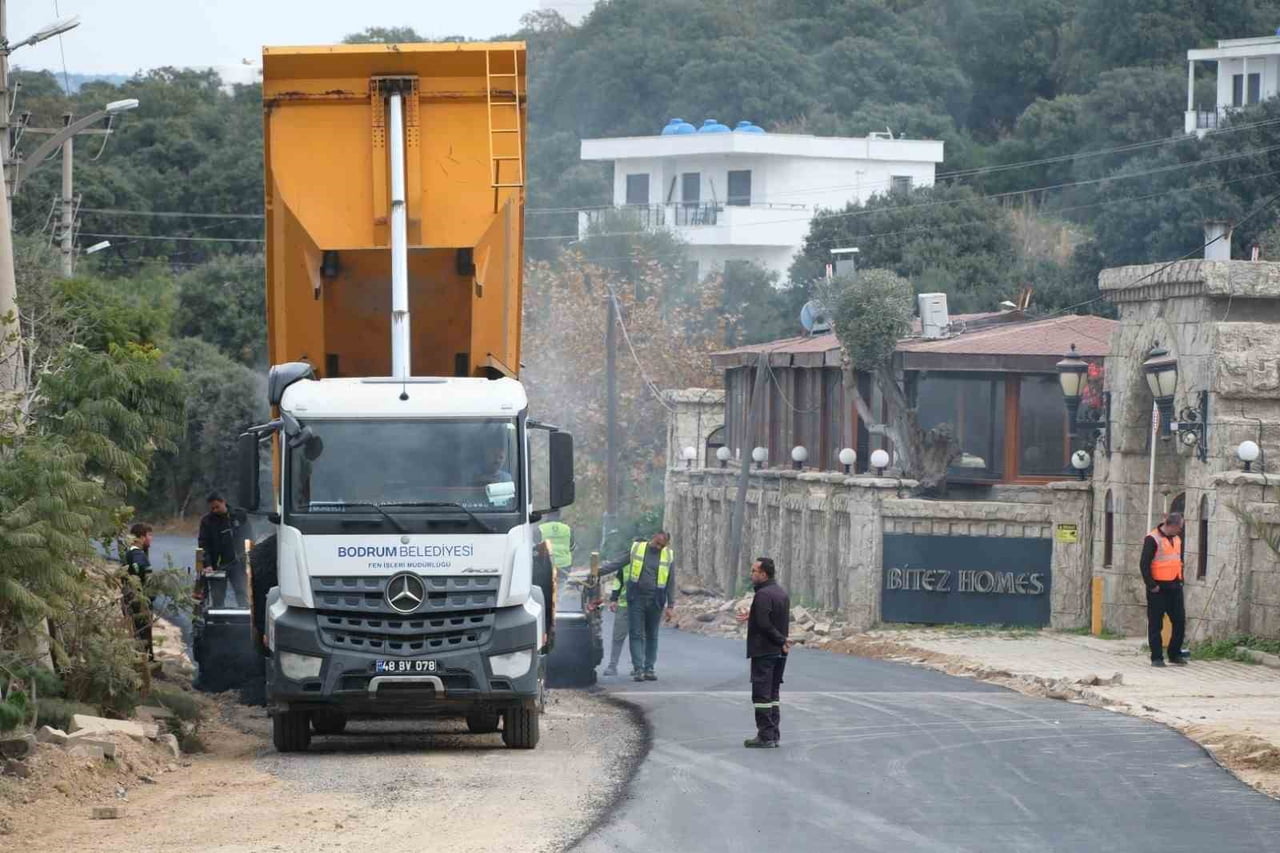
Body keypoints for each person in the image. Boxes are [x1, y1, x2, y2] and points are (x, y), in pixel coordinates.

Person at [605, 532, 675, 682]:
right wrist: (596, 572)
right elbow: (616, 565)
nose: (658, 547)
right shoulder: (636, 549)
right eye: (657, 543)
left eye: (662, 546)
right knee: (635, 633)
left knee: (651, 635)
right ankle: (638, 669)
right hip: (636, 598)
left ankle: (649, 668)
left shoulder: (668, 555)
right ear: (653, 537)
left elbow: (670, 581)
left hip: (656, 600)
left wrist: (671, 605)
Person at [736, 557, 790, 748]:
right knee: (773, 694)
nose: (751, 574)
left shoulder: (763, 595)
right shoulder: (780, 593)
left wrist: (781, 640)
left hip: (765, 651)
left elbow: (765, 624)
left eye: (754, 571)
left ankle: (766, 736)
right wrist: (782, 642)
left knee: (761, 695)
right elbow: (775, 618)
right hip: (779, 653)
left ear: (763, 574)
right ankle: (773, 735)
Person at [1141, 512, 1187, 667]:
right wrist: (1151, 585)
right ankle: (1157, 657)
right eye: (1179, 527)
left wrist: (1181, 580)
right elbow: (1144, 564)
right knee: (1155, 624)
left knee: (1179, 621)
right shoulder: (1152, 539)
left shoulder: (1177, 539)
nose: (1180, 530)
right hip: (1158, 588)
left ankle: (1174, 654)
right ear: (1171, 525)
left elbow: (1177, 560)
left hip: (1175, 585)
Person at [198, 493, 248, 608]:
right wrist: (208, 564)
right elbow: (203, 545)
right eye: (212, 508)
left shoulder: (239, 516)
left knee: (242, 593)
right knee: (218, 597)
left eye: (217, 507)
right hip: (218, 566)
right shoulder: (207, 521)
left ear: (223, 502)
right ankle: (219, 622)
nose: (215, 510)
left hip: (238, 563)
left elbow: (249, 537)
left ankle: (246, 620)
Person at [121, 522, 156, 662]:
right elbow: (139, 567)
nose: (151, 538)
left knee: (139, 633)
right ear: (141, 537)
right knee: (143, 633)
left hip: (132, 598)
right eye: (149, 535)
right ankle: (146, 663)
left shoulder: (131, 552)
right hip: (139, 600)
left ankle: (145, 661)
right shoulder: (137, 554)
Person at [603, 569, 629, 677]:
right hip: (624, 605)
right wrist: (614, 598)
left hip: (642, 605)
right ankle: (612, 665)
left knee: (639, 636)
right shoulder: (626, 560)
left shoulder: (650, 556)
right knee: (618, 636)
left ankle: (640, 667)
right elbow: (618, 581)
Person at [538, 516, 575, 581]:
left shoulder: (540, 529)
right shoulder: (567, 529)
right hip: (564, 565)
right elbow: (572, 547)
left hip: (545, 566)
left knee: (545, 585)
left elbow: (533, 546)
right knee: (561, 585)